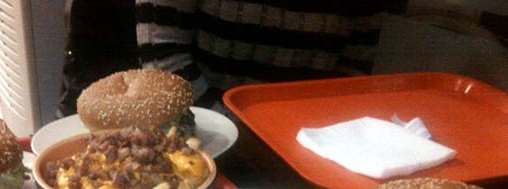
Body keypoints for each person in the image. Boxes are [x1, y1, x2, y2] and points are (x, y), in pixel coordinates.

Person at [135, 0, 408, 109]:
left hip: (310, 141)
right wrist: (228, 129)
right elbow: (163, 58)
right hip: (205, 127)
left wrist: (312, 135)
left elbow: (355, 67)